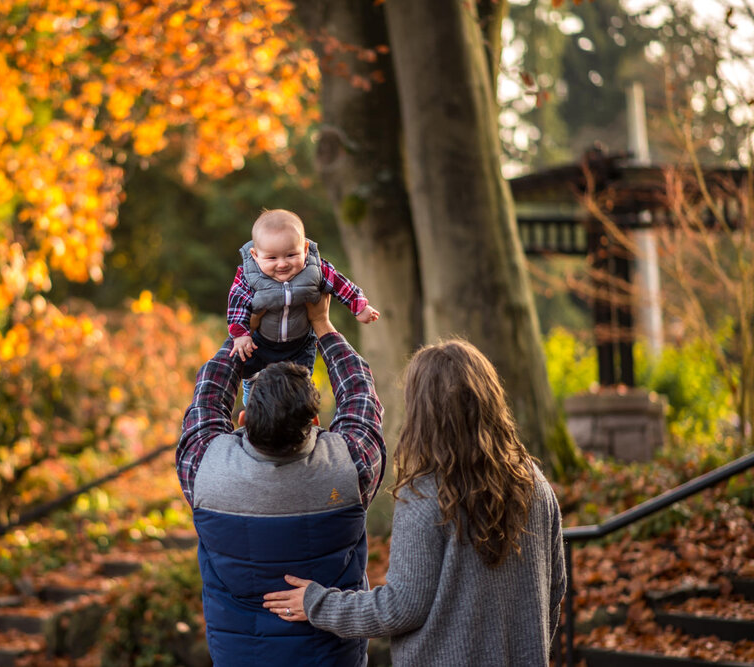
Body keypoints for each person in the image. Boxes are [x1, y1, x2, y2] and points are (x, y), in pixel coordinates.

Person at [263, 339, 566, 666]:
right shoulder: (534, 482)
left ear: (424, 412)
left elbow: (400, 609)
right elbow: (554, 592)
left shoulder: (426, 494)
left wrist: (316, 603)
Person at [177, 294, 385, 667]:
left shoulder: (205, 470)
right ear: (316, 424)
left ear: (242, 421)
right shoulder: (350, 467)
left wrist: (245, 331)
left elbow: (207, 398)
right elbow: (359, 394)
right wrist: (323, 325)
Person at [227, 208, 380, 404]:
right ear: (255, 255)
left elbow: (340, 284)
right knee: (252, 375)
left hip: (299, 342)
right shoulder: (249, 276)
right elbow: (237, 303)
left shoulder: (315, 269)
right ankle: (252, 407)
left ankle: (302, 417)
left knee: (300, 385)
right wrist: (240, 334)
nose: (282, 264)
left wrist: (359, 306)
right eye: (272, 258)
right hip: (261, 342)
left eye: (291, 255)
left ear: (305, 249)